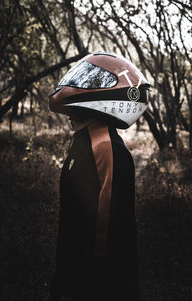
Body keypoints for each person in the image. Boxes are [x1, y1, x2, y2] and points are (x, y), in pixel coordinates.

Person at [48, 51, 150, 301]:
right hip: (73, 280)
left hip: (97, 287)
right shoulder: (84, 141)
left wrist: (77, 288)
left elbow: (104, 229)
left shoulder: (105, 146)